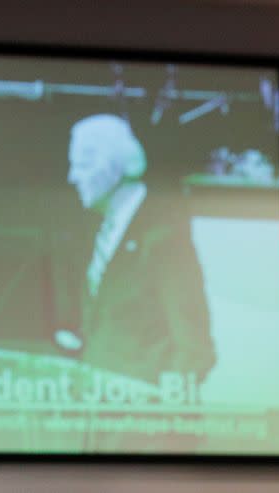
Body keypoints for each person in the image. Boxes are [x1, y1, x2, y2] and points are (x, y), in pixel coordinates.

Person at [55, 114, 216, 386]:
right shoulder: (98, 234)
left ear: (114, 166)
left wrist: (160, 412)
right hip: (99, 416)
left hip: (143, 421)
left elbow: (195, 350)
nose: (73, 176)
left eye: (82, 165)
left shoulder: (163, 235)